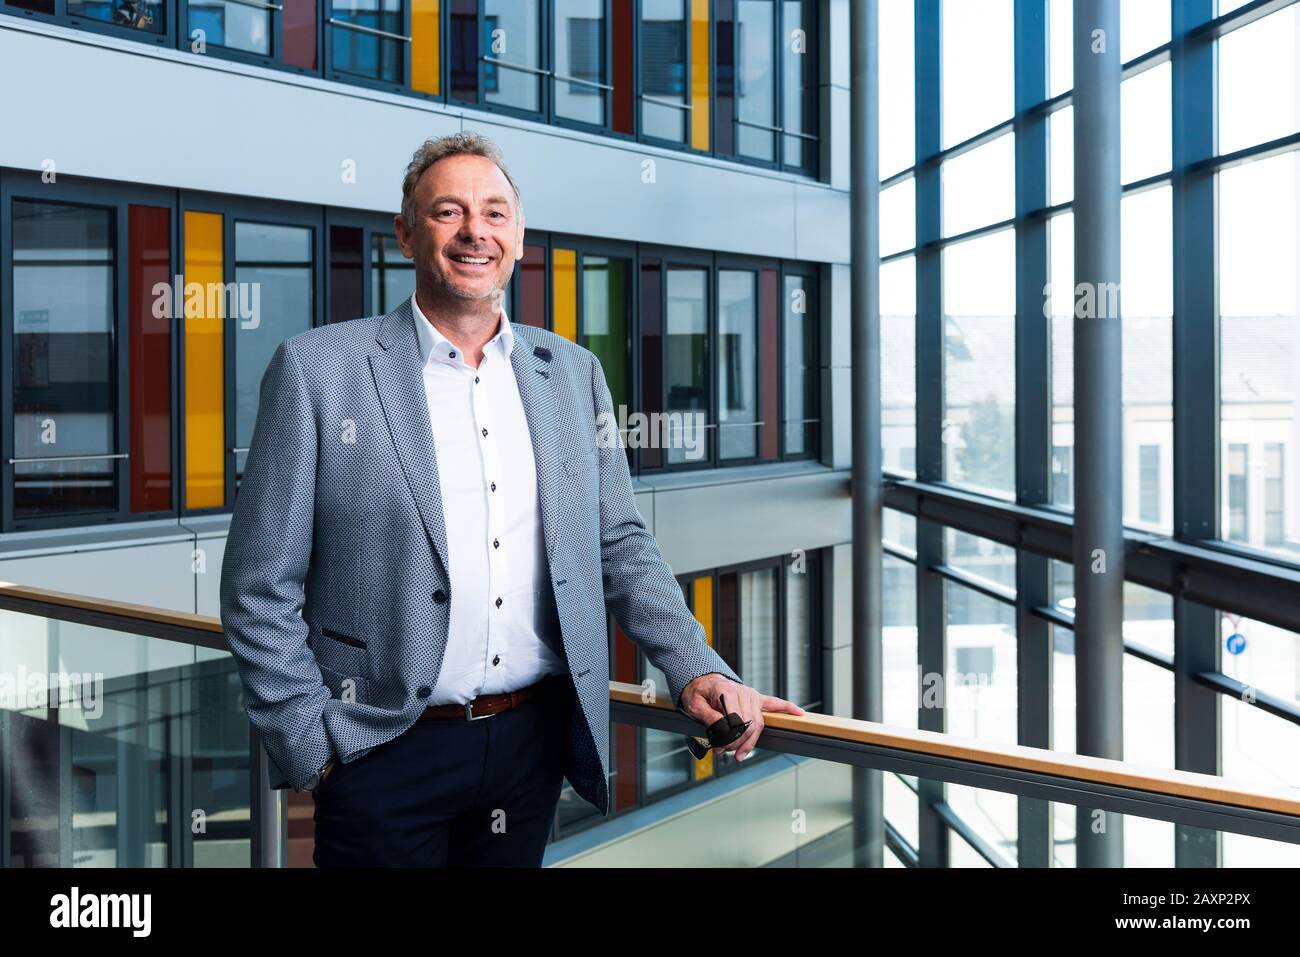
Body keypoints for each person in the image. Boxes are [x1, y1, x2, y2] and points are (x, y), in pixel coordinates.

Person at [219, 131, 804, 868]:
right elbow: (256, 586)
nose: (475, 231)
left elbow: (619, 542)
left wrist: (695, 666)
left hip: (529, 748)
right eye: (449, 212)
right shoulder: (318, 370)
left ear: (518, 237)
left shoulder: (574, 374)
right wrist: (312, 747)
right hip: (379, 751)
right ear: (405, 233)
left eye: (495, 213)